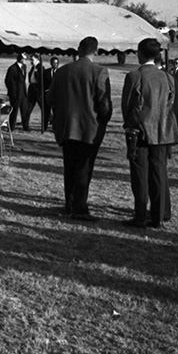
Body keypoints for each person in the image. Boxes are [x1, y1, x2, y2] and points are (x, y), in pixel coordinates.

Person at [48, 36, 112, 220]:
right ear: (96, 51)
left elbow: (50, 98)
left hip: (67, 127)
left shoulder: (62, 72)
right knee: (84, 167)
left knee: (69, 166)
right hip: (89, 128)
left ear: (78, 50)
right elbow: (104, 104)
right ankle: (79, 207)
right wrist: (103, 121)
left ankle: (69, 203)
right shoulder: (99, 72)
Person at [122, 38, 178, 228]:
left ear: (140, 53)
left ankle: (140, 215)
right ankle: (158, 217)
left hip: (140, 132)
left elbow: (127, 106)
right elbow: (171, 105)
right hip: (163, 132)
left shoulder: (134, 76)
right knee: (159, 174)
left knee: (140, 176)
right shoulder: (168, 78)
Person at [4, 53, 29, 131]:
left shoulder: (24, 67)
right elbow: (8, 81)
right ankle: (11, 127)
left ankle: (26, 127)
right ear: (20, 59)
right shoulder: (12, 68)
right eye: (24, 59)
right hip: (15, 94)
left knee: (24, 111)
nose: (25, 60)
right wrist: (13, 92)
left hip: (23, 94)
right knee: (14, 112)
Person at [26, 53, 46, 131]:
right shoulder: (32, 68)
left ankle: (44, 126)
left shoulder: (41, 68)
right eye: (31, 59)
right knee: (28, 108)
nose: (31, 61)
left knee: (43, 109)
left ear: (37, 59)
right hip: (32, 89)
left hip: (38, 91)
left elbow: (41, 80)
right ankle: (26, 126)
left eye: (32, 59)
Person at [44, 56, 60, 126]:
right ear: (51, 63)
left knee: (56, 111)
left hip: (56, 95)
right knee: (46, 111)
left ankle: (55, 126)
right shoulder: (46, 72)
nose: (55, 65)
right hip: (47, 94)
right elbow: (44, 82)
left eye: (56, 63)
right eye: (54, 63)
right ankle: (44, 126)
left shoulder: (60, 72)